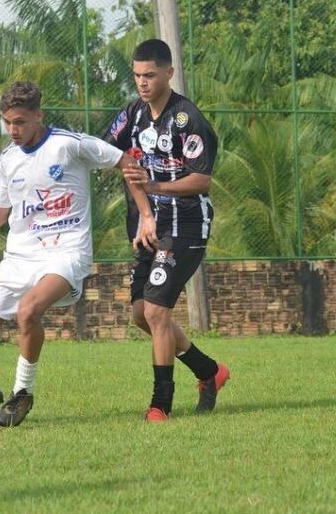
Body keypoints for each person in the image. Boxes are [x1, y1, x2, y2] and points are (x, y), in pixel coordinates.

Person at [0, 81, 155, 428]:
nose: (12, 130)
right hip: (19, 257)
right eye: (7, 122)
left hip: (67, 251)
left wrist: (146, 215)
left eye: (19, 121)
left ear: (39, 115)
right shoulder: (7, 161)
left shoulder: (69, 145)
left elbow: (125, 161)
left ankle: (23, 393)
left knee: (28, 310)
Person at [104, 39, 230, 422]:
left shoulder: (186, 119)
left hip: (186, 223)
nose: (142, 83)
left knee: (158, 310)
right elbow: (111, 153)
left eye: (150, 75)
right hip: (149, 224)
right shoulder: (132, 114)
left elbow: (202, 180)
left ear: (169, 73)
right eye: (137, 75)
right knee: (142, 314)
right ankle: (209, 371)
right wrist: (143, 210)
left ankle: (161, 404)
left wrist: (152, 186)